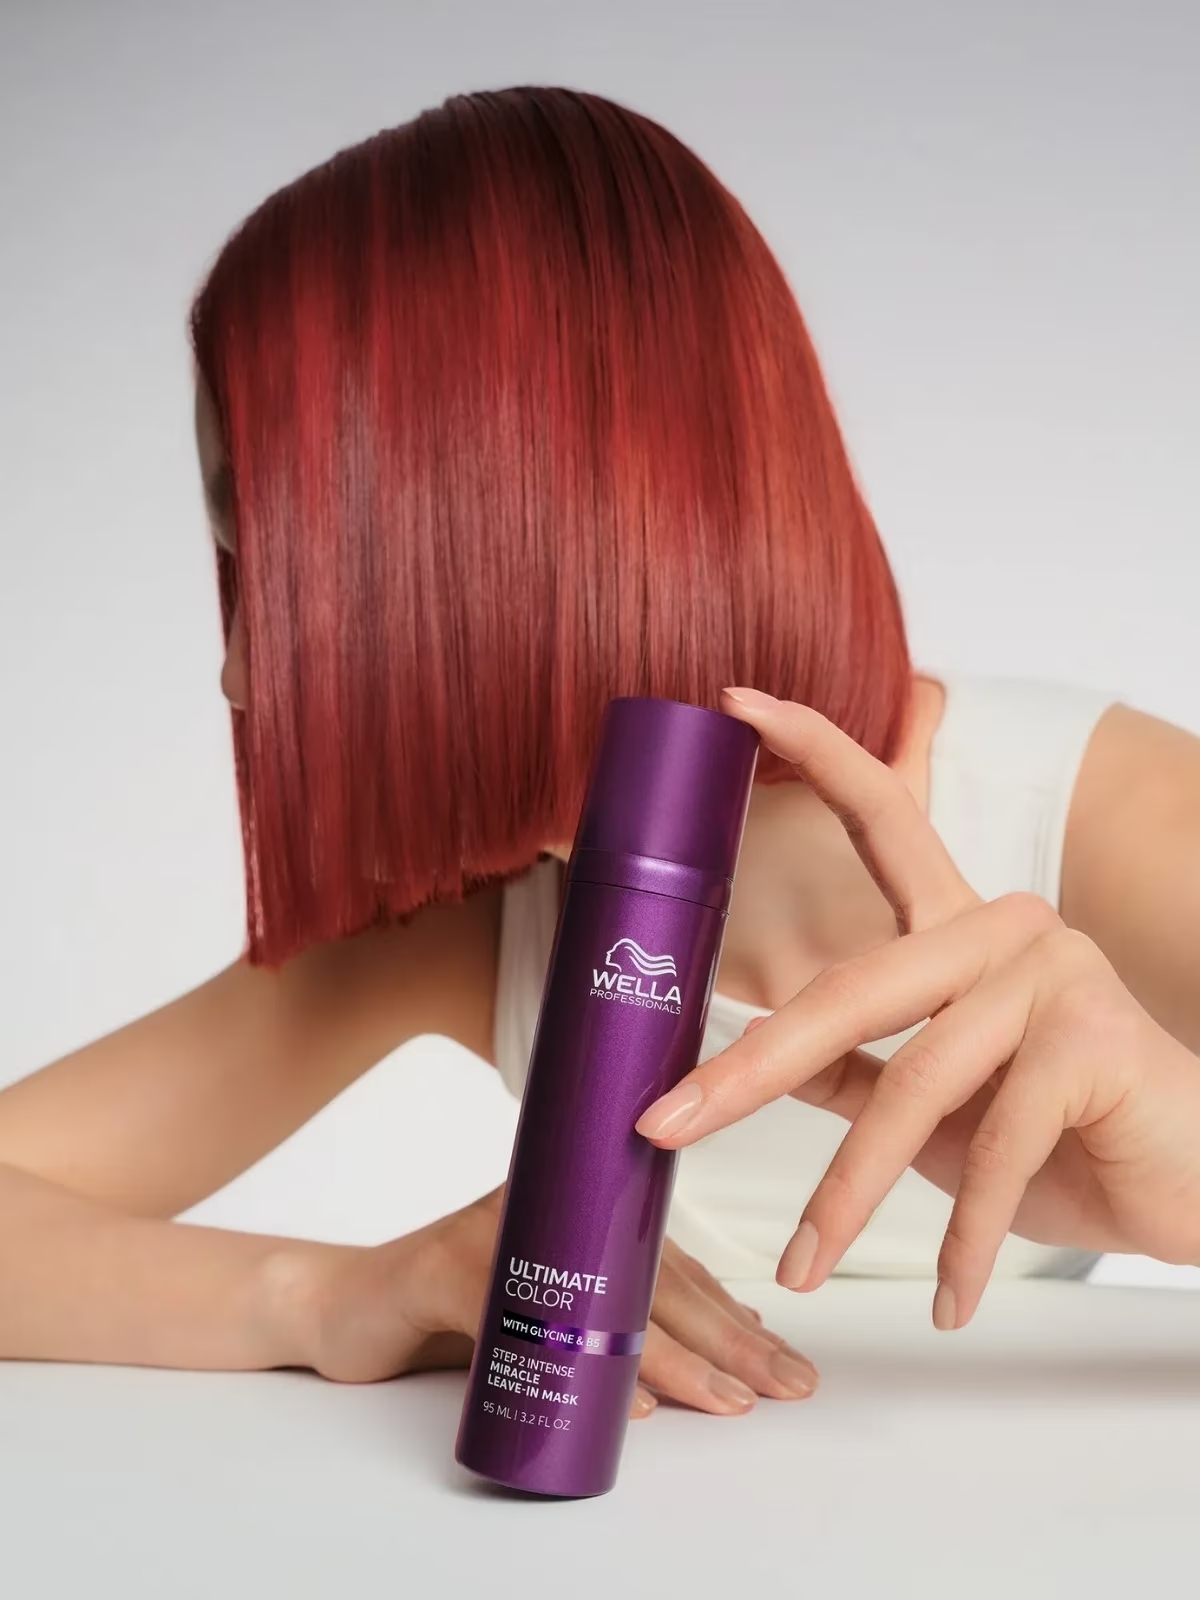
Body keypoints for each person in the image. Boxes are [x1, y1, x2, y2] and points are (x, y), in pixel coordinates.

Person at [1, 87, 1196, 1424]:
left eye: (286, 573)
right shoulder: (480, 920)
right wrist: (333, 1296)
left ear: (501, 533)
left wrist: (1182, 1188)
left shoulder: (1110, 821)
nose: (239, 673)